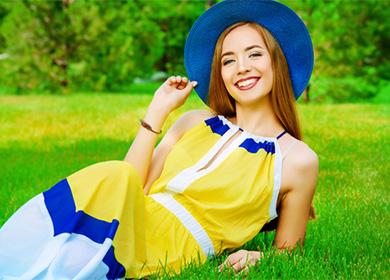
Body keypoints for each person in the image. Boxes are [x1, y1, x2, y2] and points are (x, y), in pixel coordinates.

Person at [0, 0, 318, 278]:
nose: (242, 68)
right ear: (220, 73)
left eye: (254, 54)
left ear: (277, 61)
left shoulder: (296, 160)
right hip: (130, 218)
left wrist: (257, 255)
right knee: (112, 177)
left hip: (176, 245)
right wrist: (158, 110)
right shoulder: (195, 122)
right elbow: (132, 185)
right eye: (228, 60)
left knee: (69, 261)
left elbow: (289, 251)